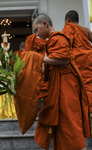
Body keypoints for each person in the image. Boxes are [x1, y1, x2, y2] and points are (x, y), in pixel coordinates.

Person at [31, 14, 91, 150]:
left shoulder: (58, 37)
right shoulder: (51, 41)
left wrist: (38, 58)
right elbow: (47, 65)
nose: (37, 34)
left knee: (71, 124)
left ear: (45, 24)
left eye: (37, 29)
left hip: (67, 87)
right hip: (58, 85)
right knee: (61, 127)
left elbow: (64, 59)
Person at [62, 10, 92, 113]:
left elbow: (65, 46)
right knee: (89, 85)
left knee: (81, 87)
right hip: (89, 60)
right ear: (78, 21)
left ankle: (86, 110)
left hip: (78, 62)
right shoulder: (86, 30)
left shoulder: (68, 28)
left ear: (68, 20)